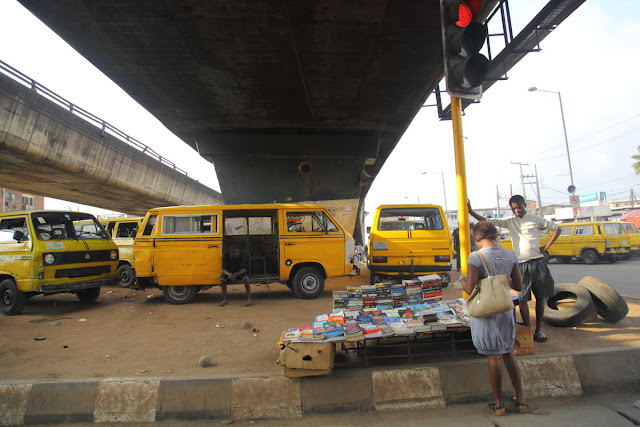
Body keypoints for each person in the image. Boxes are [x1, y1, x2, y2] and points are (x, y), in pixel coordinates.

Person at [468, 195, 561, 343]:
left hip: (537, 261)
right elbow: (487, 222)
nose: (517, 210)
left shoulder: (536, 219)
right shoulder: (510, 222)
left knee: (540, 297)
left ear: (525, 205)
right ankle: (528, 330)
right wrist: (471, 211)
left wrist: (546, 247)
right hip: (521, 263)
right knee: (522, 298)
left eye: (519, 207)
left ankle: (539, 330)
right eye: (514, 208)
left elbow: (557, 228)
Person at [459, 221, 527, 416]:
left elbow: (470, 288)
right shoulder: (509, 254)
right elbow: (519, 286)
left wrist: (462, 281)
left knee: (494, 356)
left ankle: (498, 404)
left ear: (476, 238)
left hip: (486, 310)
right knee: (508, 351)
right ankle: (521, 400)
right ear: (496, 236)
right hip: (505, 309)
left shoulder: (476, 256)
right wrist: (502, 278)